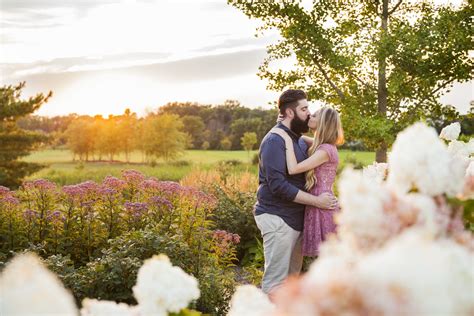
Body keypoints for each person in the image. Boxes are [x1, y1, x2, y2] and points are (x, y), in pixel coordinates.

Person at [254, 89, 338, 298]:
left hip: (296, 218)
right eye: (304, 109)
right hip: (277, 217)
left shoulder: (298, 140)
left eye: (309, 108)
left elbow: (325, 145)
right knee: (275, 284)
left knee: (292, 283)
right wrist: (317, 201)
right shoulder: (275, 140)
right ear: (290, 113)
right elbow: (279, 186)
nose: (309, 113)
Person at [271, 107, 344, 258]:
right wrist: (284, 125)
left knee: (326, 260)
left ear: (322, 122)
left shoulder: (325, 151)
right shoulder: (322, 145)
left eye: (315, 115)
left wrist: (285, 139)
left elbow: (293, 169)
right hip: (317, 202)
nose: (310, 115)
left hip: (322, 207)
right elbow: (300, 138)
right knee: (323, 260)